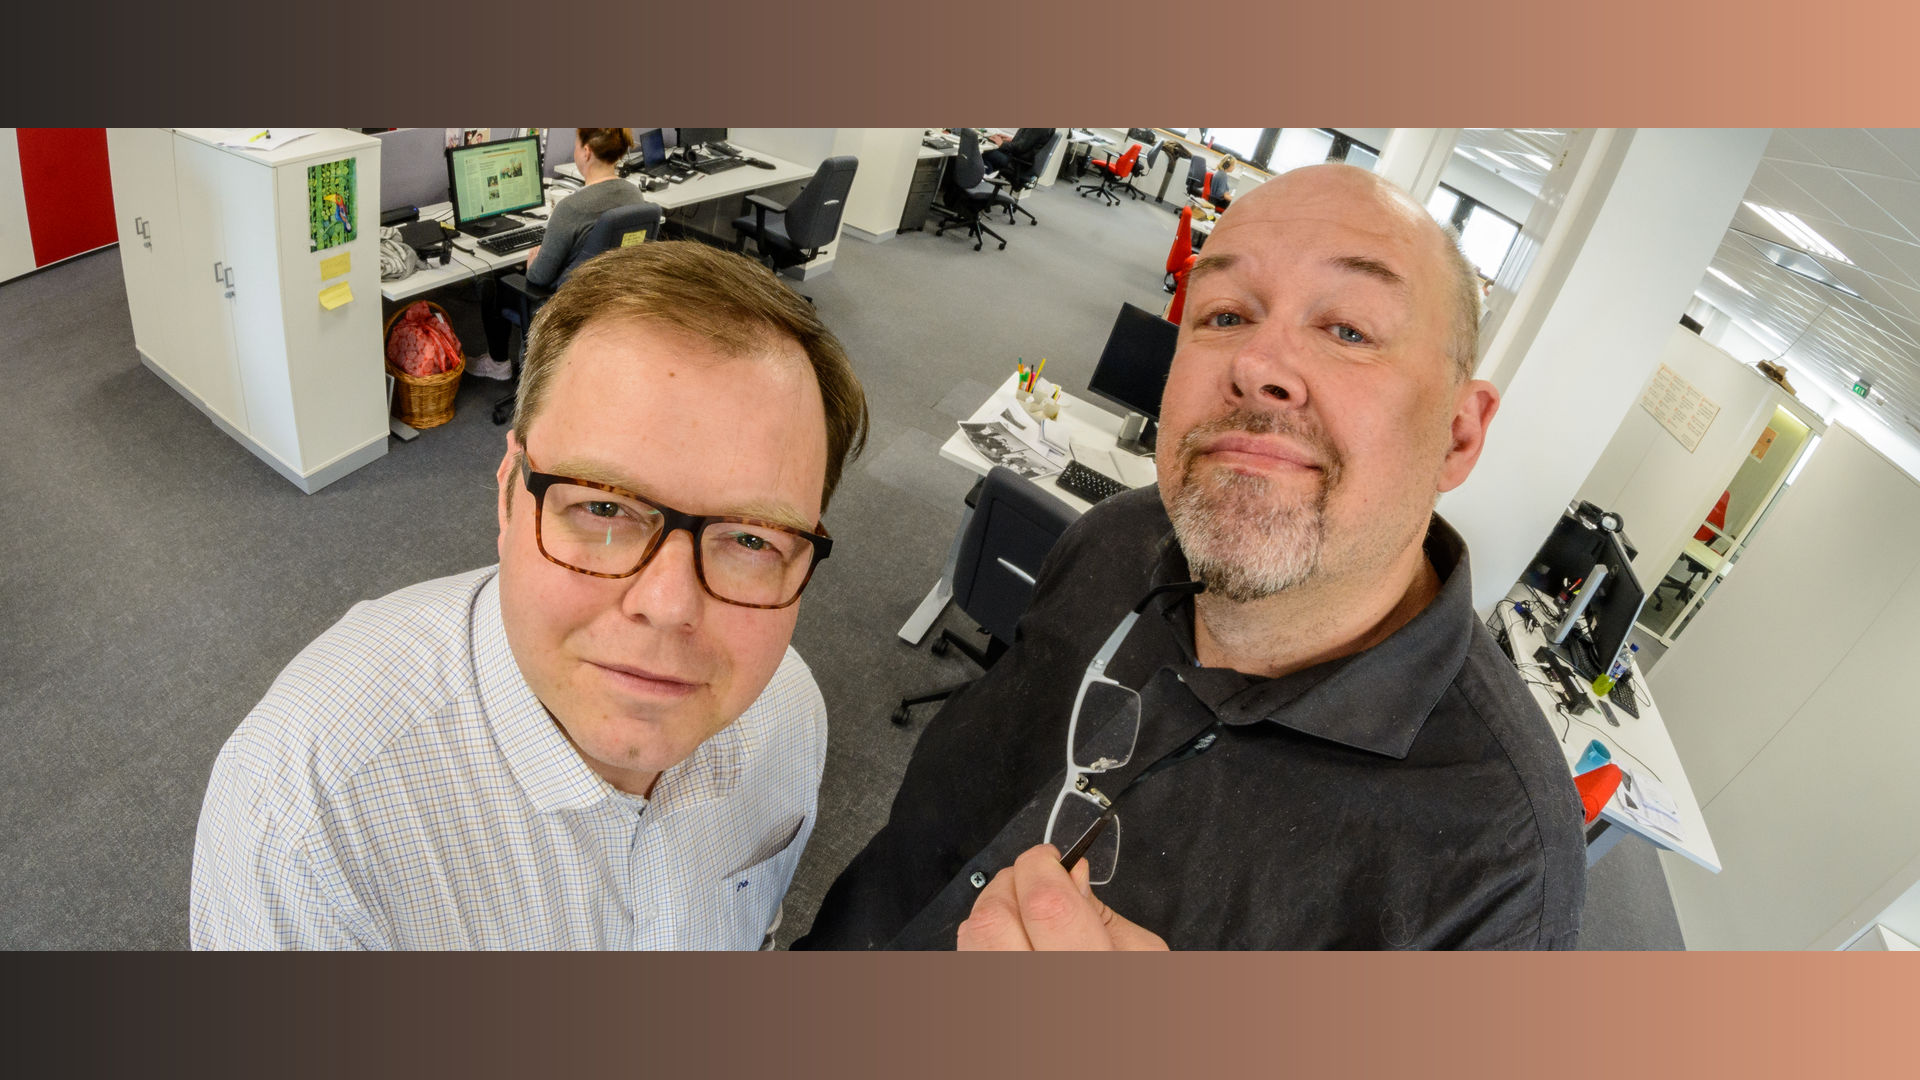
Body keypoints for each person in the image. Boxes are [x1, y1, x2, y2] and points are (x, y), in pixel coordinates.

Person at [797, 163, 1586, 951]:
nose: (1256, 365)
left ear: (1458, 435)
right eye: (1225, 315)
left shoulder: (1502, 871)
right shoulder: (1118, 536)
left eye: (1349, 330)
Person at [191, 242, 869, 949]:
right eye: (603, 507)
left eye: (752, 539)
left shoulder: (788, 712)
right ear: (509, 494)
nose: (669, 606)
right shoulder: (305, 819)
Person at [476, 128, 649, 373]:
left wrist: (532, 264)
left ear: (586, 152)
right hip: (614, 298)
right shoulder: (634, 195)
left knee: (492, 279)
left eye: (576, 144)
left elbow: (539, 277)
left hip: (568, 307)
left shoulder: (571, 208)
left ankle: (498, 365)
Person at [982, 128, 1054, 179]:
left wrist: (1002, 144)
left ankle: (984, 180)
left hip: (1016, 162)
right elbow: (1029, 142)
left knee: (985, 152)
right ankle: (989, 178)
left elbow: (1020, 148)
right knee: (991, 151)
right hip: (1018, 158)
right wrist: (1012, 140)